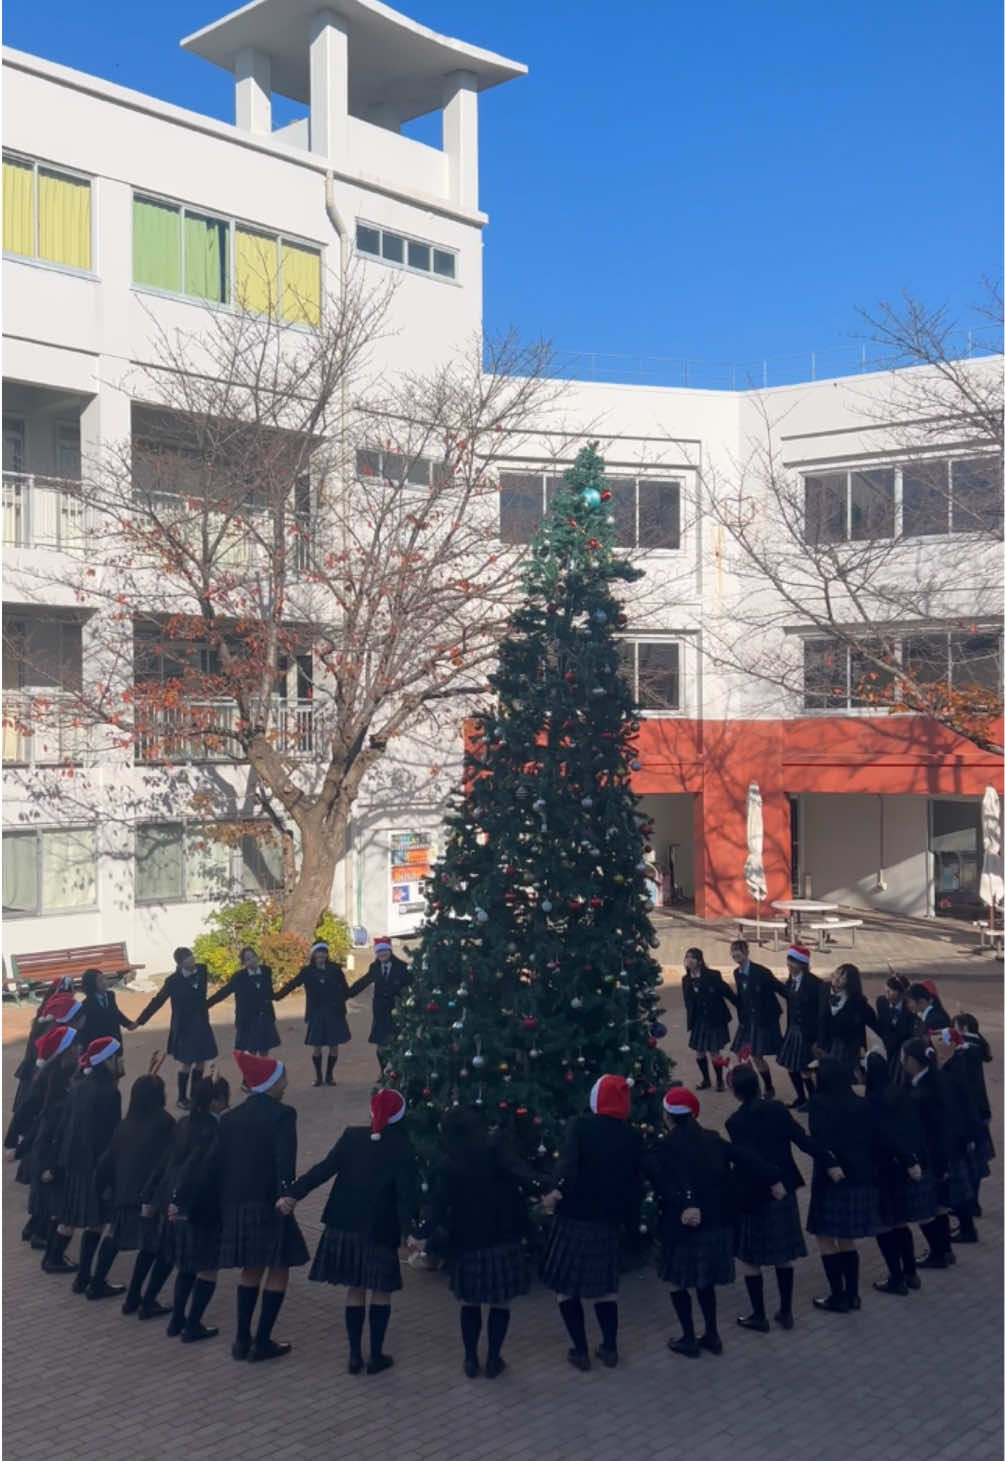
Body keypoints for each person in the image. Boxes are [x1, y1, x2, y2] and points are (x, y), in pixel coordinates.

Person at [281, 1089, 418, 1376]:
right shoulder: (402, 1146)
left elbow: (323, 1170)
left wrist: (294, 1193)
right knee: (380, 1291)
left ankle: (355, 1355)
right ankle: (376, 1355)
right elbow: (406, 1197)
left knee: (355, 1289)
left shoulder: (352, 1137)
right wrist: (410, 1232)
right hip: (380, 1228)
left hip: (344, 1223)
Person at [647, 1086, 779, 1358]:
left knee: (678, 1281)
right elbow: (747, 1158)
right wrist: (775, 1177)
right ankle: (712, 1333)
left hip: (681, 1226)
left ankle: (688, 1337)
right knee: (705, 1281)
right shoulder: (713, 1139)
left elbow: (664, 1182)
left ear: (669, 1116)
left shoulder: (664, 1147)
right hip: (715, 1222)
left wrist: (686, 1204)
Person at [419, 1107, 536, 1378]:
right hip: (502, 1237)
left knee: (469, 1303)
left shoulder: (449, 1164)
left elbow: (437, 1205)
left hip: (467, 1241)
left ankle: (470, 1358)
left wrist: (422, 1232)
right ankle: (494, 1358)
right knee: (500, 1302)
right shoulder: (497, 1152)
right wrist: (548, 1187)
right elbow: (522, 1175)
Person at [539, 1074, 643, 1371]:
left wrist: (553, 1189)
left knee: (566, 1289)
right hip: (607, 1219)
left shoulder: (580, 1126)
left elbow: (567, 1163)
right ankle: (609, 1347)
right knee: (606, 1290)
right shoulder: (631, 1136)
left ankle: (580, 1349)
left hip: (574, 1215)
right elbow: (635, 1184)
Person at [213, 1050, 309, 1362]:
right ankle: (263, 1340)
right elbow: (285, 1158)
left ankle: (241, 1338)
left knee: (250, 1269)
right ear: (269, 1082)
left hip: (237, 1201)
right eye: (281, 1078)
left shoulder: (230, 1118)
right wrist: (286, 1192)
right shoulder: (283, 1114)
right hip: (269, 1201)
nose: (286, 1083)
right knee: (278, 1267)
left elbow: (217, 1162)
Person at [725, 1062, 821, 1331]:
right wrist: (827, 1157)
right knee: (783, 1254)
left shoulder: (735, 1122)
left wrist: (769, 1179)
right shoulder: (778, 1109)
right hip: (784, 1189)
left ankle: (759, 1315)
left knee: (751, 1259)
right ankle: (786, 1310)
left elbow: (748, 1158)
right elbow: (801, 1139)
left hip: (754, 1192)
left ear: (735, 1092)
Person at [89, 1067, 176, 1309]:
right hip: (148, 1195)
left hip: (123, 1192)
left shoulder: (126, 1123)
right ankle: (136, 1297)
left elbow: (107, 1159)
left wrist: (100, 1187)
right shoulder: (165, 1122)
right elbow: (168, 1160)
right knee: (151, 1246)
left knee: (114, 1237)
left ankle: (96, 1282)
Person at [50, 1036, 125, 1291]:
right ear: (108, 1061)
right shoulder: (110, 1094)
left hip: (75, 1162)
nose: (120, 1062)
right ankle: (91, 1279)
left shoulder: (80, 1085)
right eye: (117, 1057)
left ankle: (79, 1274)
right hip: (97, 1164)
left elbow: (65, 1125)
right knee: (100, 1221)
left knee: (80, 1217)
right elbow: (111, 1136)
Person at [160, 1073, 231, 1343]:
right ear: (215, 1101)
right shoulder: (214, 1131)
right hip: (203, 1205)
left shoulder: (183, 1124)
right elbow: (203, 1170)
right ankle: (193, 1323)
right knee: (208, 1267)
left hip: (177, 1206)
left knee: (186, 1266)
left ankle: (176, 1319)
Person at [805, 1058, 880, 1313]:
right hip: (859, 1177)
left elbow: (818, 1140)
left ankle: (838, 1295)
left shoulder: (818, 1104)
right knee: (847, 1238)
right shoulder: (863, 1104)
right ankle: (853, 1294)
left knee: (825, 1237)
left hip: (830, 1178)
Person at [863, 1047, 933, 1295]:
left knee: (884, 1225)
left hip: (883, 1169)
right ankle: (911, 1271)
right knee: (902, 1222)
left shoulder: (872, 1103)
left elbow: (881, 1136)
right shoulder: (900, 1094)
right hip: (904, 1168)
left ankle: (896, 1276)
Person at [133, 948, 218, 1109]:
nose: (192, 960)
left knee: (201, 1062)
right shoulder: (173, 981)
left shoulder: (202, 969)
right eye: (187, 959)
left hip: (201, 1022)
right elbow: (158, 1001)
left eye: (192, 956)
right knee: (187, 1062)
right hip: (184, 1026)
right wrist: (140, 1020)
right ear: (180, 963)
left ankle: (195, 1096)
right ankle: (182, 1098)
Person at [900, 1037, 957, 1270]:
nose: (903, 1062)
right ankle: (945, 1250)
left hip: (929, 1156)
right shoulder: (938, 1081)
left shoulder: (920, 1095)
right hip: (943, 1154)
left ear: (913, 1061)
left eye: (905, 1058)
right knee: (940, 1205)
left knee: (925, 1210)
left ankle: (938, 1252)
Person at [24, 1025, 80, 1255]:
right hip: (48, 1151)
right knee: (51, 1198)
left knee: (46, 1196)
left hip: (45, 1148)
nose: (80, 1048)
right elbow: (46, 1122)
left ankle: (33, 1229)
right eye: (76, 1045)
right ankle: (39, 1235)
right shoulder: (57, 1078)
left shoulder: (60, 1071)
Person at [275, 941, 351, 1087]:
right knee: (317, 1046)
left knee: (334, 1046)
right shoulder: (307, 971)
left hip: (334, 1012)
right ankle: (318, 1077)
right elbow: (293, 984)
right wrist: (277, 996)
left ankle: (329, 1075)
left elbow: (345, 989)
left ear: (327, 954)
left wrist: (340, 1001)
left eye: (324, 952)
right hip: (316, 1013)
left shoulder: (335, 969)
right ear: (314, 954)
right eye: (318, 952)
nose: (321, 955)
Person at [952, 1013, 994, 1228]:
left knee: (972, 1161)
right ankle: (973, 1202)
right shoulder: (975, 1047)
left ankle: (971, 1203)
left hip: (972, 1114)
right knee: (976, 1160)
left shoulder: (969, 1049)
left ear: (964, 1027)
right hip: (979, 1112)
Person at [729, 939, 785, 1098]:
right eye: (733, 951)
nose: (735, 954)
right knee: (742, 1053)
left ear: (746, 952)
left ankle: (768, 1087)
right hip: (747, 1020)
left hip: (763, 1018)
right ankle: (751, 1088)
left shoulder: (761, 972)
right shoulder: (736, 973)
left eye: (738, 950)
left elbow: (779, 989)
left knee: (758, 1056)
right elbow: (741, 995)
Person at [682, 947, 737, 1092]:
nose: (689, 960)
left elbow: (726, 992)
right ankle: (706, 1079)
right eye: (687, 957)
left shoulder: (712, 975)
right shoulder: (686, 979)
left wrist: (739, 1005)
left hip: (714, 1018)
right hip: (699, 1021)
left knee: (714, 1052)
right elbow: (688, 1002)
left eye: (692, 957)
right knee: (699, 1052)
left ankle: (719, 1081)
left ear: (699, 961)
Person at [206, 949, 280, 1056]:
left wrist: (280, 995)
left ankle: (265, 1071)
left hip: (265, 1017)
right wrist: (206, 1004)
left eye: (253, 957)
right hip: (248, 1019)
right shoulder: (239, 977)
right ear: (243, 963)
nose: (252, 961)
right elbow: (224, 992)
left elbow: (270, 993)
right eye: (248, 959)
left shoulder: (266, 971)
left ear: (257, 957)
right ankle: (254, 1071)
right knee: (252, 1051)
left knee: (265, 1050)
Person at [349, 938, 411, 1064]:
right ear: (376, 953)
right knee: (381, 1044)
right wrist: (346, 994)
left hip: (397, 1009)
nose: (382, 954)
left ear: (390, 951)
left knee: (397, 1041)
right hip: (380, 1010)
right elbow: (363, 982)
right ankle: (383, 1072)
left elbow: (413, 984)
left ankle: (394, 1071)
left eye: (385, 950)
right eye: (379, 951)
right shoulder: (374, 967)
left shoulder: (403, 967)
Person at [776, 946, 824, 1110]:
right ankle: (801, 1097)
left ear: (803, 964)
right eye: (789, 960)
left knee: (806, 1069)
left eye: (793, 961)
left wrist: (818, 1038)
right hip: (793, 1029)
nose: (789, 964)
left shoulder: (814, 983)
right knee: (791, 1066)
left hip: (808, 1033)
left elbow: (820, 1012)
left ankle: (813, 1101)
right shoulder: (791, 980)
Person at [816, 963, 877, 1074]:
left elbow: (872, 1020)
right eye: (837, 973)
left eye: (843, 977)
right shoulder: (823, 989)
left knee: (842, 1080)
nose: (837, 978)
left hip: (845, 1049)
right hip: (825, 1045)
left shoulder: (857, 1001)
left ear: (850, 982)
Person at [77, 969, 136, 1049]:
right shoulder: (86, 1005)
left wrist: (128, 1024)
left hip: (115, 1041)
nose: (104, 982)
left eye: (103, 978)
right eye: (100, 981)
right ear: (92, 985)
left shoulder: (110, 995)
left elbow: (115, 1012)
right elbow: (84, 1030)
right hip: (99, 1045)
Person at [876, 973, 916, 1072]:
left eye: (890, 991)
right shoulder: (881, 1002)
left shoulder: (909, 1009)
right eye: (886, 990)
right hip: (884, 1046)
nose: (887, 993)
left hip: (900, 1049)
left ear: (901, 993)